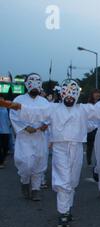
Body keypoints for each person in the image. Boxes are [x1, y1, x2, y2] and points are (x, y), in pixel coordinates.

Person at [0, 79, 100, 227]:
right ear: (62, 94)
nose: (70, 97)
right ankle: (63, 213)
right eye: (67, 93)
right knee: (63, 180)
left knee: (72, 181)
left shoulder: (83, 109)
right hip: (60, 149)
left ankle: (68, 207)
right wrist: (10, 104)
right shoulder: (52, 108)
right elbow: (33, 113)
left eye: (73, 93)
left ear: (77, 95)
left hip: (77, 148)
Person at [10, 73, 49, 201]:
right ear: (27, 84)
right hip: (24, 137)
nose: (35, 86)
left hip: (39, 137)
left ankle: (36, 189)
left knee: (39, 163)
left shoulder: (44, 101)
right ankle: (25, 181)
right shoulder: (18, 100)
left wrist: (46, 125)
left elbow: (50, 117)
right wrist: (25, 127)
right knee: (25, 163)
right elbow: (14, 116)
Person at [86, 89, 100, 166]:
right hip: (91, 129)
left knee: (98, 147)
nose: (97, 94)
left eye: (98, 93)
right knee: (90, 146)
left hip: (99, 128)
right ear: (92, 94)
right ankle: (89, 160)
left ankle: (98, 162)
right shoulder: (89, 104)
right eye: (95, 93)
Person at [0, 95, 12, 169]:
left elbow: (10, 118)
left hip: (6, 131)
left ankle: (3, 160)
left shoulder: (7, 109)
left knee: (5, 147)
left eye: (2, 99)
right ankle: (0, 162)